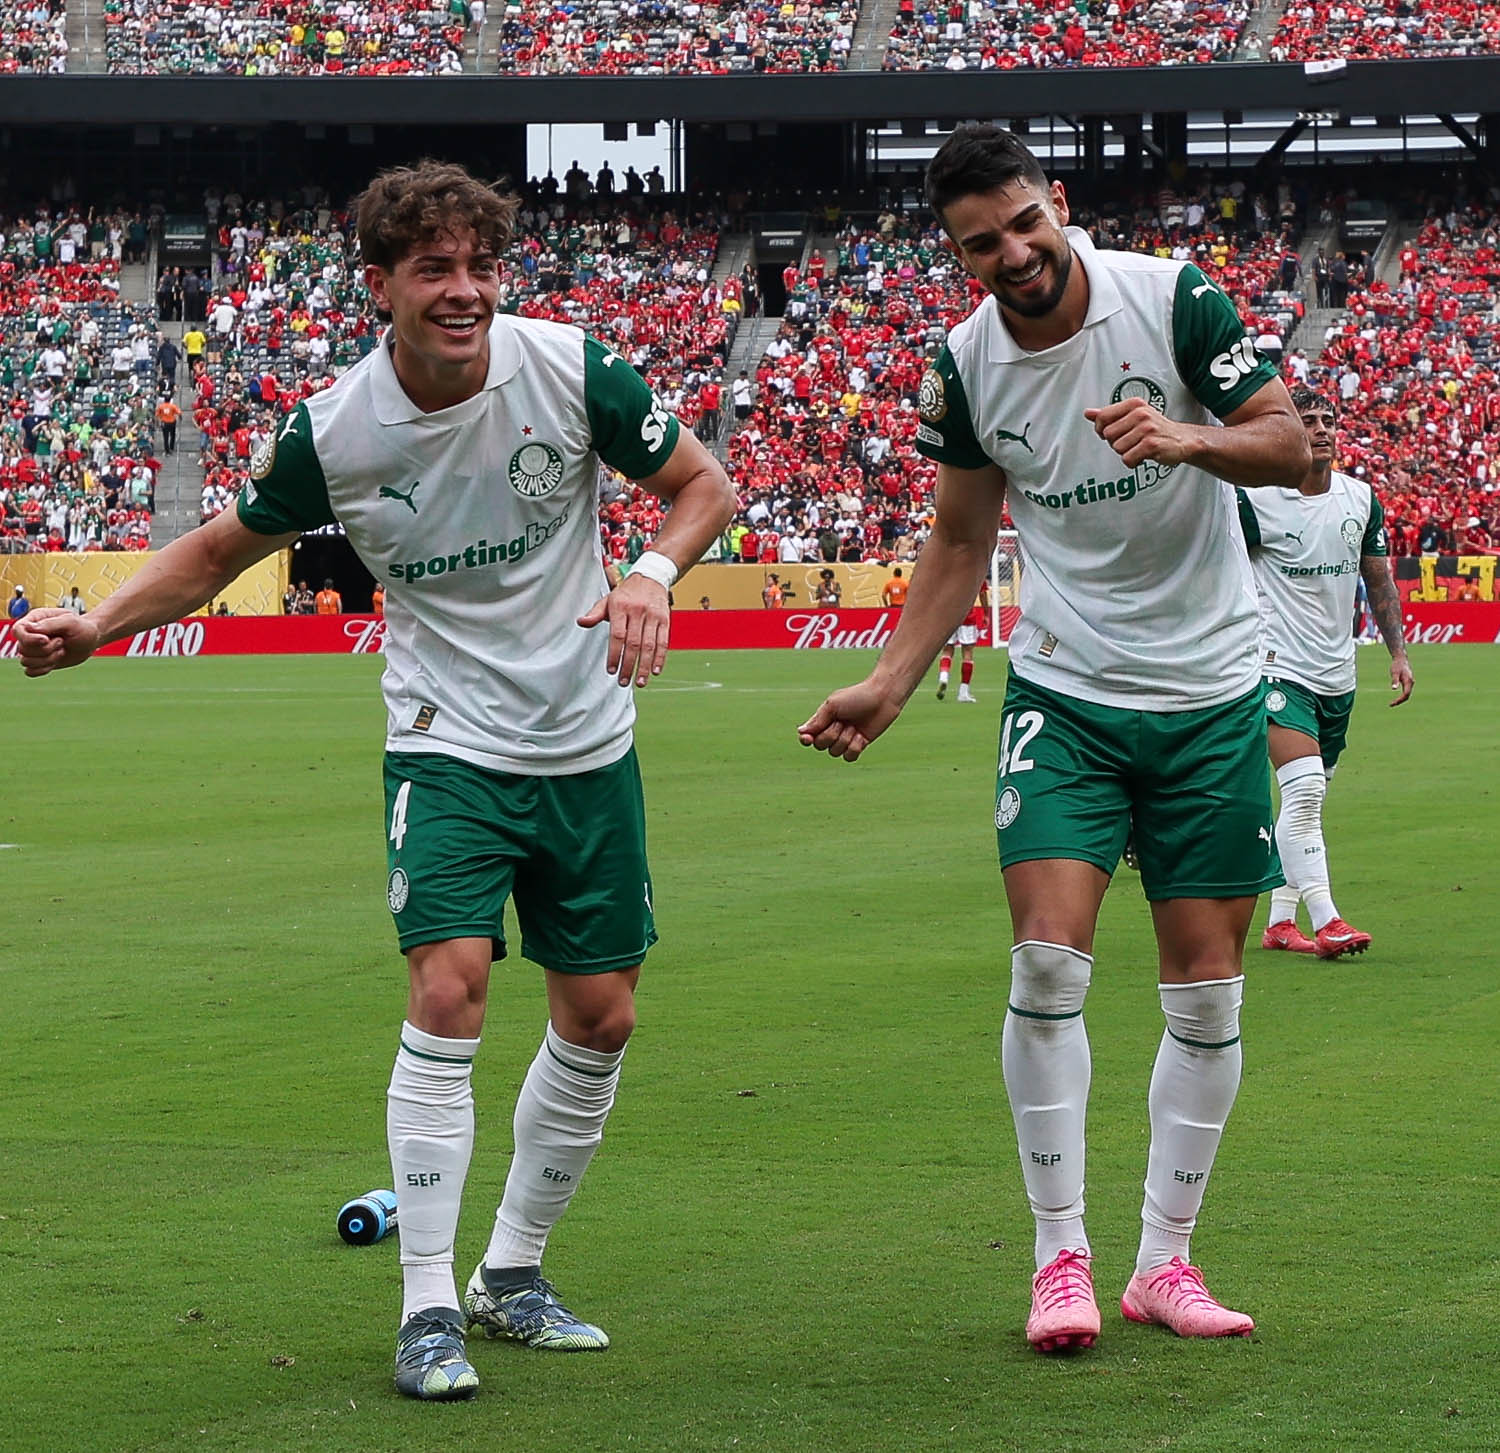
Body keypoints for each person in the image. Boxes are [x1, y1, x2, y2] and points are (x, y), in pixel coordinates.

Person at [15, 160, 734, 1403]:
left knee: (602, 1015)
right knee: (449, 988)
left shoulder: (571, 368)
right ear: (380, 285)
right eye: (435, 269)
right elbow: (215, 550)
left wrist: (651, 572)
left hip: (585, 742)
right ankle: (427, 1306)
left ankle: (514, 1272)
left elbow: (703, 487)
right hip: (445, 742)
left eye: (482, 267)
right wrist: (98, 624)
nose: (465, 292)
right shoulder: (336, 430)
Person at [797, 125, 1308, 1353]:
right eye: (984, 242)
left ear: (1058, 203)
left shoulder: (1169, 297)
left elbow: (1293, 445)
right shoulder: (968, 364)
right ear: (959, 254)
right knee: (1045, 967)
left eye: (1026, 223)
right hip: (1066, 693)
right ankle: (1058, 1259)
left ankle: (1165, 1262)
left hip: (1209, 692)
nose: (1015, 253)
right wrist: (891, 680)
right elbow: (960, 538)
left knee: (1206, 989)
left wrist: (1190, 437)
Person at [1237, 388, 1413, 960]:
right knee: (1306, 790)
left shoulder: (1360, 498)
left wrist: (1398, 653)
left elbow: (1379, 579)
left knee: (1304, 803)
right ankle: (1328, 918)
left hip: (1337, 674)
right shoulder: (1256, 501)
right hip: (1276, 668)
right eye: (1306, 420)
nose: (1319, 429)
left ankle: (1279, 922)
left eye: (1326, 419)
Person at [936, 581, 987, 703]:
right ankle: (963, 692)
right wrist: (986, 613)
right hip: (967, 616)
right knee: (967, 652)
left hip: (948, 615)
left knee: (947, 650)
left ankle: (944, 677)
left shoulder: (949, 573)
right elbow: (982, 593)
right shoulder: (976, 572)